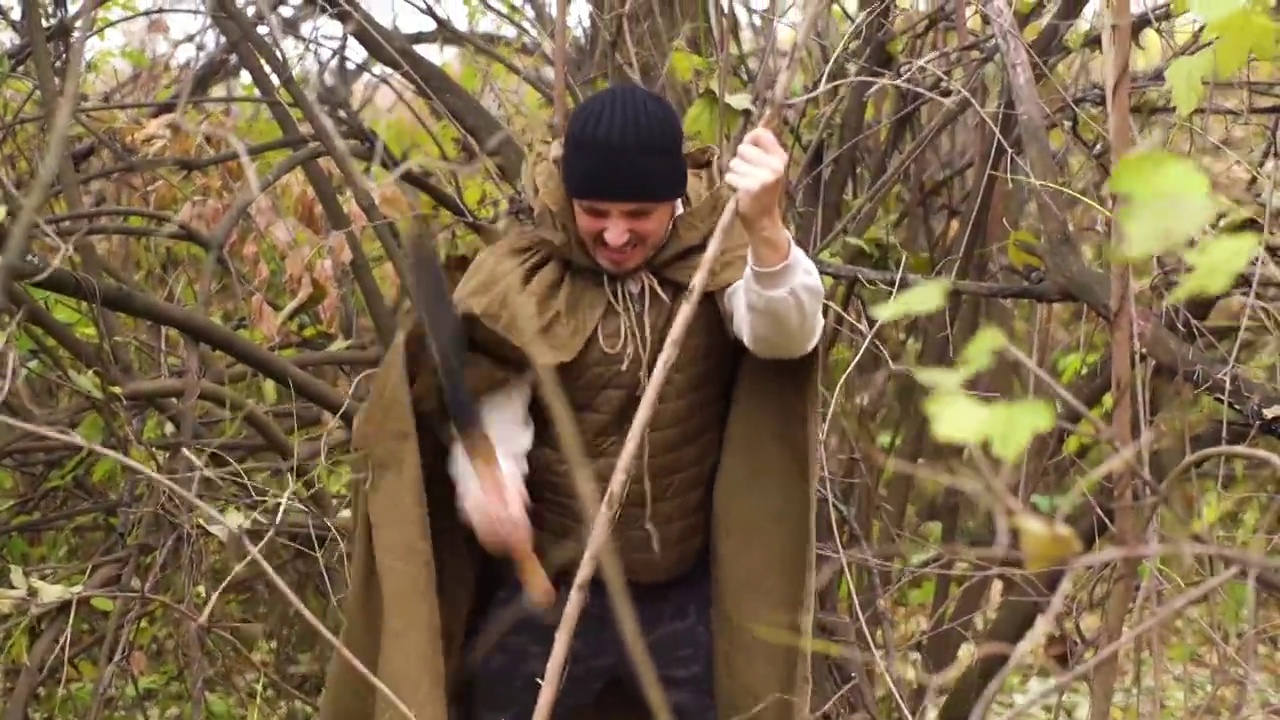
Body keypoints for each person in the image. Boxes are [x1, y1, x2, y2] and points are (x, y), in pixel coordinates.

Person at [317, 82, 823, 720]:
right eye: (595, 211)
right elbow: (488, 391)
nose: (614, 234)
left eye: (638, 214)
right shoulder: (529, 273)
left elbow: (785, 335)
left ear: (673, 198)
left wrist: (768, 229)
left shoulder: (720, 257)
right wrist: (488, 483)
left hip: (680, 593)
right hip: (548, 592)